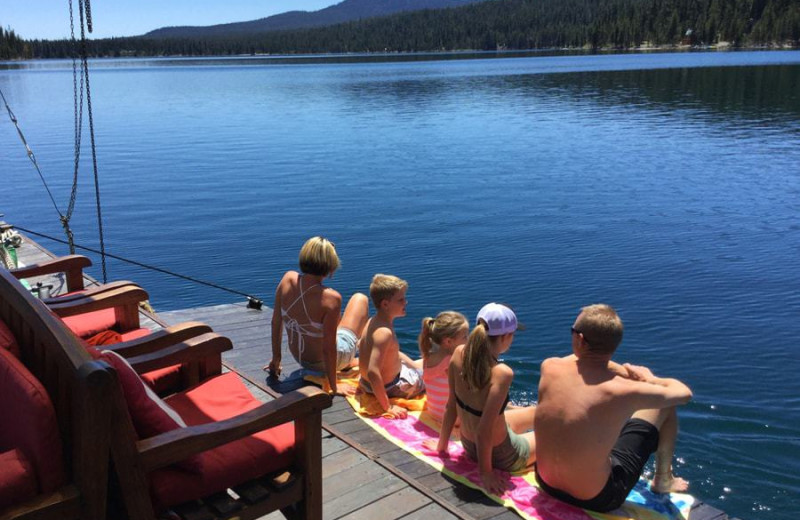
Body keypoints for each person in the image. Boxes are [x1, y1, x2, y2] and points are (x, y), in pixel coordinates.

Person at [534, 304, 692, 513]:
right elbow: (683, 393)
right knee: (666, 404)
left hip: (546, 483)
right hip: (596, 498)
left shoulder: (550, 367)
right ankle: (663, 479)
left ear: (580, 339)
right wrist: (650, 379)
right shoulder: (624, 390)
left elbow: (580, 361)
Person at [426, 303, 536, 494]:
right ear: (505, 337)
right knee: (549, 435)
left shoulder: (459, 353)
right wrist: (486, 473)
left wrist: (441, 447)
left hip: (469, 447)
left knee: (536, 412)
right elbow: (484, 431)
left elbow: (451, 406)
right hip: (503, 456)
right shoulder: (501, 373)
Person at [265, 236, 369, 396]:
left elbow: (276, 323)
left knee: (338, 323)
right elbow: (329, 349)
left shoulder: (287, 279)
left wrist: (276, 360)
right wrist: (334, 386)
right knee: (360, 299)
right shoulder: (331, 298)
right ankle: (359, 349)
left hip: (300, 358)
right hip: (327, 362)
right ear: (330, 267)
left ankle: (358, 347)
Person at [358, 274, 425, 419]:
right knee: (433, 371)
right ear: (385, 304)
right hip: (392, 387)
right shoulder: (385, 333)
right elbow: (373, 372)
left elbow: (365, 347)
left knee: (420, 363)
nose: (405, 302)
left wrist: (412, 364)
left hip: (366, 384)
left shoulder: (373, 321)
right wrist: (387, 406)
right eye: (401, 300)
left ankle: (416, 365)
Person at [418, 311, 469, 423]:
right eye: (465, 337)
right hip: (452, 419)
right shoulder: (452, 362)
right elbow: (467, 392)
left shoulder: (427, 357)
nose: (468, 340)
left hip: (434, 413)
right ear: (448, 341)